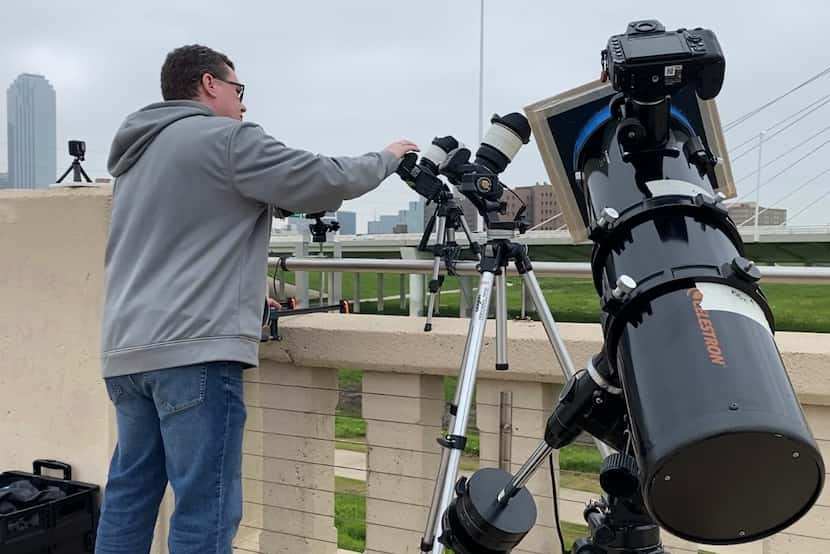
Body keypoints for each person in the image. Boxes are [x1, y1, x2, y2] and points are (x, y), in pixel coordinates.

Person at [95, 44, 417, 554]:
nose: (244, 106)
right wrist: (389, 158)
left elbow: (185, 243)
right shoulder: (225, 138)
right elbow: (322, 179)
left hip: (127, 353)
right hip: (193, 352)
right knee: (206, 507)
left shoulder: (137, 154)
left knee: (130, 497)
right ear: (209, 85)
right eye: (239, 91)